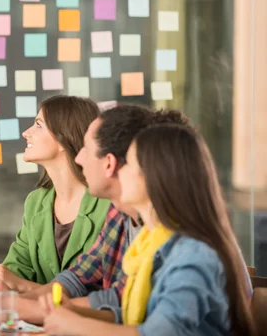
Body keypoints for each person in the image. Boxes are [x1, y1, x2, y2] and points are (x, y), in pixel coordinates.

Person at [0, 105, 192, 324]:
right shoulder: (123, 218)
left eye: (86, 148)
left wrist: (23, 306)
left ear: (111, 163)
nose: (79, 158)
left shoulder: (181, 247)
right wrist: (13, 301)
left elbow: (139, 318)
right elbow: (91, 284)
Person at [39, 124, 256, 336]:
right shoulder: (150, 242)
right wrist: (75, 312)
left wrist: (77, 325)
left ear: (156, 177)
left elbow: (159, 331)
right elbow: (143, 313)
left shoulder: (194, 255)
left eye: (129, 164)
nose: (118, 171)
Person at [0, 95, 111, 297]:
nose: (26, 133)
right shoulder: (36, 202)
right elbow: (17, 268)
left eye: (38, 125)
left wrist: (21, 287)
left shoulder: (108, 205)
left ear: (66, 137)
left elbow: (104, 294)